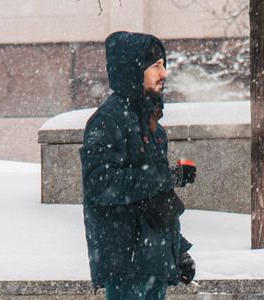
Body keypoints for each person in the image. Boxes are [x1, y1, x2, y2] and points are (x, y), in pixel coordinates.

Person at [79, 31, 197, 300]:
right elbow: (100, 183)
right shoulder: (108, 122)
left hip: (151, 262)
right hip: (127, 264)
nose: (164, 73)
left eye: (163, 65)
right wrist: (164, 176)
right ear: (134, 71)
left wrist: (179, 250)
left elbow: (157, 199)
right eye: (156, 66)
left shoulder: (153, 127)